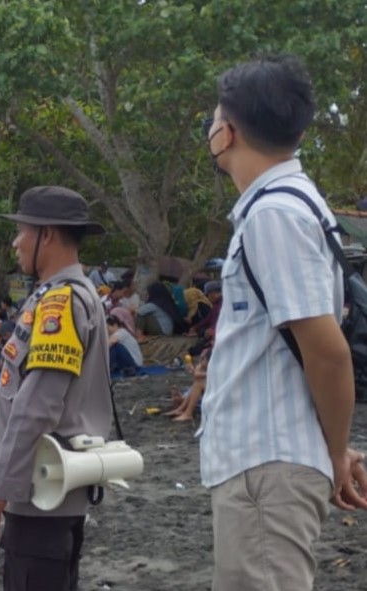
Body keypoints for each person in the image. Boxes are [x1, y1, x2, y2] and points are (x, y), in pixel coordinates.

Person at [200, 54, 367, 591]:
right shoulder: (290, 206)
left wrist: (336, 452)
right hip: (269, 461)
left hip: (265, 469)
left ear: (226, 134)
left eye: (213, 120)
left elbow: (327, 351)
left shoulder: (274, 214)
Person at [0, 186, 113, 590]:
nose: (16, 242)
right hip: (47, 490)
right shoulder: (68, 294)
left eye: (22, 231)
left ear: (47, 235)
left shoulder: (60, 302)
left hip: (41, 496)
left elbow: (36, 407)